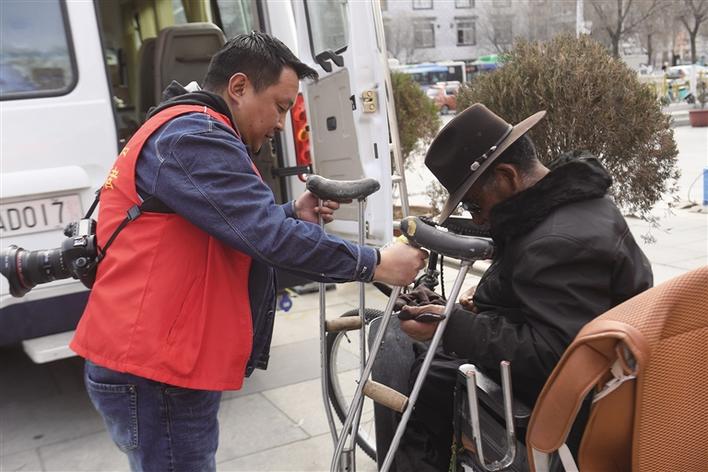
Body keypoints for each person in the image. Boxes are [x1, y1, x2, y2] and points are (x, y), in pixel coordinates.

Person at [70, 31, 426, 471]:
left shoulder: (187, 126)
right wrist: (375, 264)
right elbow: (267, 236)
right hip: (154, 368)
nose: (281, 123)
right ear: (239, 87)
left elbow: (224, 222)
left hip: (154, 359)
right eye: (280, 106)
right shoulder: (194, 134)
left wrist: (291, 212)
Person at [391, 104, 653, 471]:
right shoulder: (568, 209)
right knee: (422, 363)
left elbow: (556, 355)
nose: (477, 219)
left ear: (506, 177)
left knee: (423, 379)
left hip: (570, 412)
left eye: (474, 204)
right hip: (590, 383)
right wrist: (472, 307)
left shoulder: (557, 240)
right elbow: (547, 304)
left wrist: (449, 326)